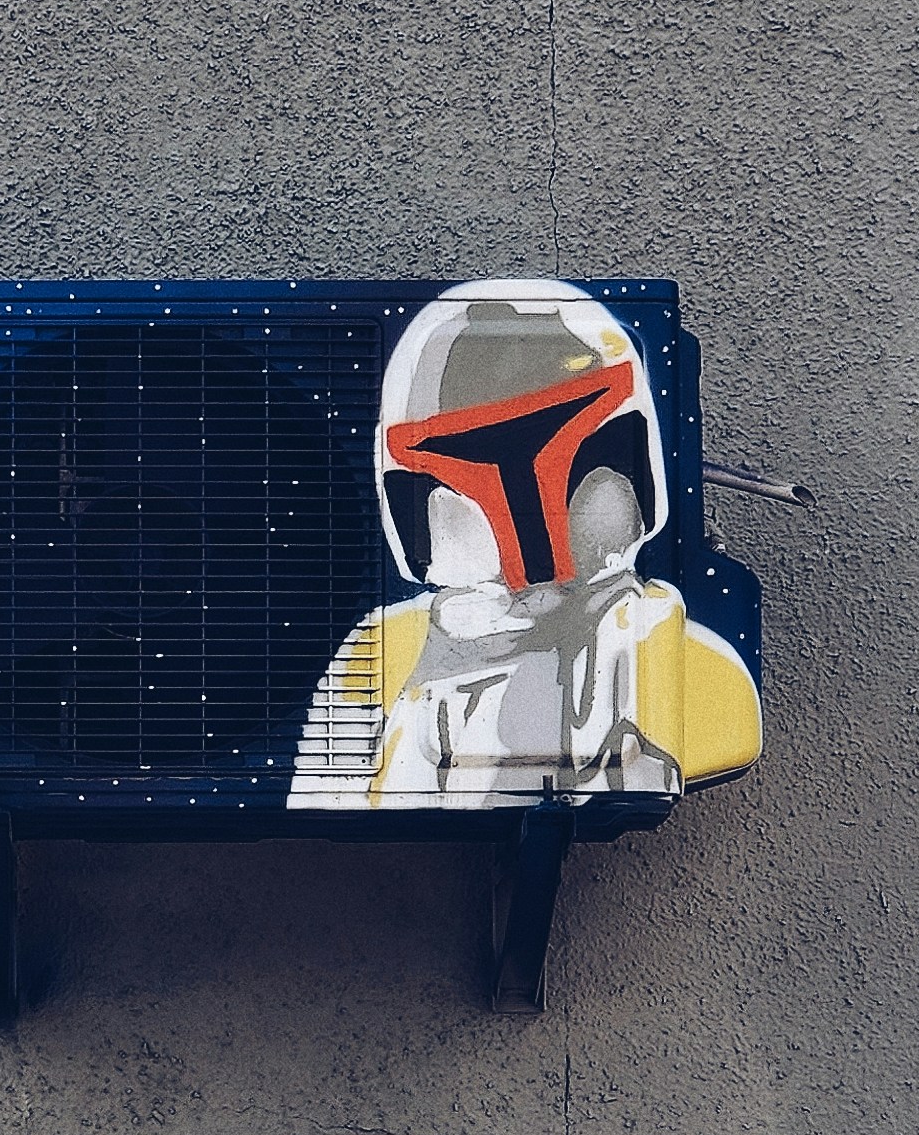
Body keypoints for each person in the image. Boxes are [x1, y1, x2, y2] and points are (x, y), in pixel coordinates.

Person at [289, 279, 760, 812]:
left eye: (569, 450)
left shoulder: (690, 667)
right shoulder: (377, 654)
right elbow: (324, 798)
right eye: (467, 460)